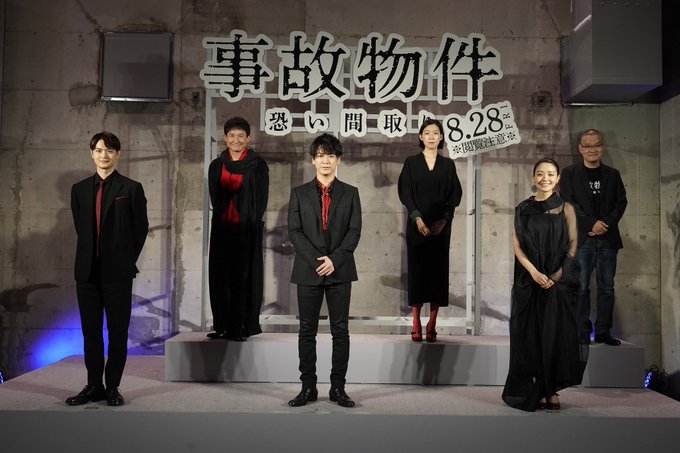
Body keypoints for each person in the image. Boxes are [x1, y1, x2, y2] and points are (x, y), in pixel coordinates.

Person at [67, 131, 149, 406]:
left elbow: (141, 229)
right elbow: (82, 228)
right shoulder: (79, 189)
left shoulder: (132, 188)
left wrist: (124, 259)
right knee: (90, 332)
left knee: (117, 331)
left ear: (118, 155)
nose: (104, 155)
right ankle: (93, 385)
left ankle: (112, 387)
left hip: (118, 273)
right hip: (87, 272)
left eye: (110, 150)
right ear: (92, 153)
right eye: (99, 150)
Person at [502, 158, 587, 412]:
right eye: (540, 174)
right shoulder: (523, 208)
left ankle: (551, 390)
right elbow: (517, 245)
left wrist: (556, 275)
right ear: (533, 178)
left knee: (554, 335)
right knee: (530, 336)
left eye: (550, 174)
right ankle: (537, 387)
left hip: (558, 282)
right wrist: (533, 272)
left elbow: (573, 244)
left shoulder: (566, 208)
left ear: (558, 178)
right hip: (529, 281)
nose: (545, 178)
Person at [287, 133, 362, 408]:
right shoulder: (299, 193)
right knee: (307, 330)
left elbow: (354, 231)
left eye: (330, 156)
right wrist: (317, 261)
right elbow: (294, 231)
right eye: (320, 156)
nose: (325, 161)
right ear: (313, 160)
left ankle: (338, 388)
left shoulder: (351, 193)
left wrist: (334, 260)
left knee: (340, 331)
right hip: (308, 271)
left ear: (338, 160)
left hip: (340, 271)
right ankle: (308, 388)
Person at [559, 129, 627, 346]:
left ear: (602, 147)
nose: (592, 150)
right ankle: (582, 332)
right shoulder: (569, 173)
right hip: (583, 239)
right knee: (580, 287)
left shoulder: (613, 174)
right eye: (587, 146)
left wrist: (604, 224)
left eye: (596, 145)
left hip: (608, 239)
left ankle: (604, 332)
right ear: (580, 149)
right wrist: (591, 224)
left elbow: (621, 202)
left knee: (607, 287)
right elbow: (568, 202)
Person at [398, 118, 462, 342]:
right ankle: (416, 322)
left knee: (438, 272)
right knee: (417, 272)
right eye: (427, 132)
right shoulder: (411, 163)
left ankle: (432, 323)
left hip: (441, 228)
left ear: (441, 137)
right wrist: (417, 219)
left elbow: (455, 196)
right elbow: (405, 193)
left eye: (436, 132)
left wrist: (443, 221)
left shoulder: (448, 165)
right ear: (421, 137)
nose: (432, 136)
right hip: (417, 225)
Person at [207, 117, 269, 341]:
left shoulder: (257, 165)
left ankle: (240, 326)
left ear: (248, 139)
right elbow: (215, 197)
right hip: (222, 230)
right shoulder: (217, 165)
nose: (236, 140)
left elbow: (261, 200)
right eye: (232, 135)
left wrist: (248, 222)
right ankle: (222, 325)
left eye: (241, 136)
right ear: (225, 138)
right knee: (220, 276)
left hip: (246, 231)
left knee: (243, 278)